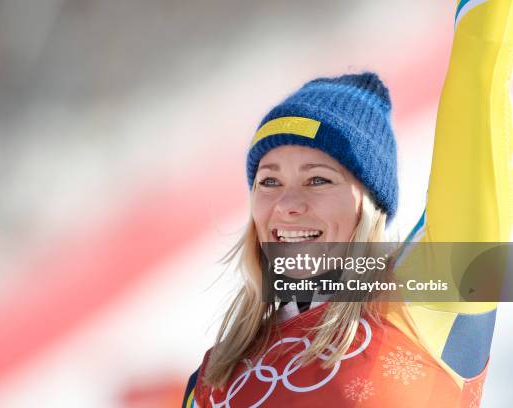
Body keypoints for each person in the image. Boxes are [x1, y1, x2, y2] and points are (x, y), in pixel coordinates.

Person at [183, 1, 513, 406]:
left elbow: (481, 67)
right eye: (269, 180)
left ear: (368, 204)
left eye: (318, 179)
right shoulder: (213, 377)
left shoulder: (425, 299)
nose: (287, 203)